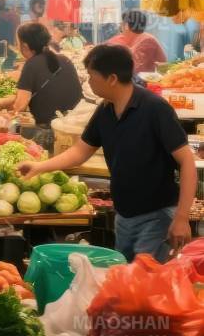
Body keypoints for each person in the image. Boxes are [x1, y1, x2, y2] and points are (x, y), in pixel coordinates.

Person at [19, 42, 196, 263]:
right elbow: (79, 152)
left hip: (157, 217)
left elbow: (187, 162)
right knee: (124, 282)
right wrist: (39, 167)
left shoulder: (155, 109)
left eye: (92, 76)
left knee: (144, 282)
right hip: (124, 217)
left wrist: (181, 218)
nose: (89, 82)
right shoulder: (105, 110)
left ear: (112, 78)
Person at [0, 22, 82, 141]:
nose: (17, 47)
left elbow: (19, 106)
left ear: (25, 46)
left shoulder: (31, 65)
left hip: (50, 132)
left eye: (18, 43)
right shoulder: (64, 59)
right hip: (74, 128)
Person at [118, 9, 167, 76]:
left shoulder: (147, 41)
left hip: (150, 84)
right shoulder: (138, 39)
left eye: (121, 24)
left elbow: (136, 70)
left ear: (126, 26)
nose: (120, 28)